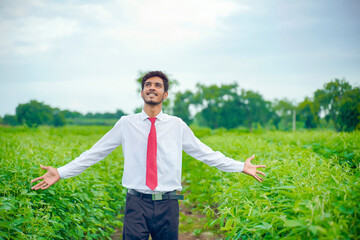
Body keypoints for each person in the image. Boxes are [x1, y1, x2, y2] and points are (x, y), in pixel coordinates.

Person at [31, 71, 266, 239]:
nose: (152, 87)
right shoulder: (126, 124)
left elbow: (204, 152)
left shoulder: (177, 125)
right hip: (136, 202)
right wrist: (61, 172)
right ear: (142, 92)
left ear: (165, 95)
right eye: (148, 85)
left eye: (157, 85)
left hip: (169, 203)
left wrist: (239, 166)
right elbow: (95, 152)